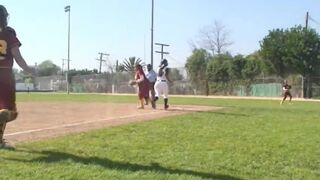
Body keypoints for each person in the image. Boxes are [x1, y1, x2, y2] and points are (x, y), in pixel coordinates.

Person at [0, 5, 34, 148]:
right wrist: (28, 69)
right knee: (9, 111)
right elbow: (17, 56)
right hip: (5, 74)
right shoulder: (9, 33)